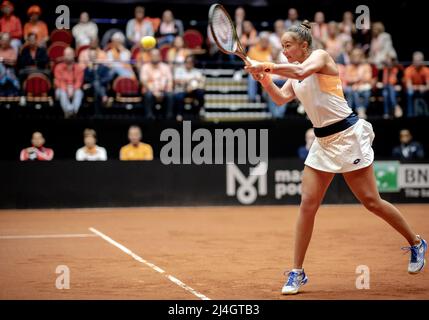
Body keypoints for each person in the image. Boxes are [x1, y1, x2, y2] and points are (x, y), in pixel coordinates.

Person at [245, 20, 427, 295]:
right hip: (322, 142)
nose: (284, 51)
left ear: (304, 45)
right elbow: (281, 98)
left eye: (288, 46)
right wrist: (264, 78)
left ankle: (416, 243)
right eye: (281, 47)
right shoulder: (294, 75)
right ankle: (297, 271)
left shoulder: (319, 57)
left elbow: (301, 70)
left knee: (371, 202)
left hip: (348, 136)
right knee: (308, 203)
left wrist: (266, 65)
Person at [140, 48, 174, 120]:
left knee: (170, 95)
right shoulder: (145, 67)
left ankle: (168, 117)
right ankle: (149, 117)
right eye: (153, 55)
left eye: (157, 55)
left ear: (160, 56)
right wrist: (154, 91)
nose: (155, 57)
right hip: (150, 90)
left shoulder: (166, 67)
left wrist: (166, 90)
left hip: (163, 90)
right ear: (150, 56)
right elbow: (143, 81)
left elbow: (170, 81)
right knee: (148, 95)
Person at [54, 47, 84, 118]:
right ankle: (69, 111)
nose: (68, 56)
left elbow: (79, 81)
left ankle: (74, 111)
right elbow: (58, 81)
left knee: (79, 92)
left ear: (74, 55)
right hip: (61, 89)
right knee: (62, 92)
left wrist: (73, 89)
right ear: (64, 56)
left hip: (74, 89)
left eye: (69, 54)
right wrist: (67, 89)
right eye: (66, 54)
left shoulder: (78, 68)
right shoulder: (58, 67)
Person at [343, 48, 373, 119]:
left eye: (358, 55)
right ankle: (351, 111)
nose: (356, 57)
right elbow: (347, 79)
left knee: (367, 93)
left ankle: (362, 110)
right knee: (353, 92)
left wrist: (356, 81)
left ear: (361, 56)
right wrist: (358, 79)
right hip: (352, 87)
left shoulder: (366, 66)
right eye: (354, 56)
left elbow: (368, 78)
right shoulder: (349, 66)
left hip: (363, 87)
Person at [173, 55, 205, 120]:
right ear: (184, 62)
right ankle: (179, 114)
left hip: (193, 90)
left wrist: (193, 87)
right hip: (181, 90)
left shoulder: (197, 71)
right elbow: (176, 81)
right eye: (187, 62)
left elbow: (202, 82)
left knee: (201, 92)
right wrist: (189, 80)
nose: (188, 64)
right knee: (179, 96)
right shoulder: (179, 70)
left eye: (190, 62)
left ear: (193, 63)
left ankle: (199, 112)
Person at [83, 48, 112, 114]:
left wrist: (99, 82)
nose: (93, 58)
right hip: (90, 89)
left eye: (94, 56)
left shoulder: (103, 67)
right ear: (89, 57)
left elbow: (107, 78)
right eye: (91, 56)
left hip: (102, 87)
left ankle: (97, 114)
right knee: (96, 85)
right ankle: (104, 97)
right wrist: (90, 70)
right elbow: (85, 79)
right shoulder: (87, 69)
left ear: (97, 56)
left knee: (97, 86)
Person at [404, 51, 429, 117]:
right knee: (410, 92)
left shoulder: (426, 70)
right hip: (413, 91)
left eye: (419, 60)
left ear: (422, 60)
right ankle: (410, 115)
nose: (417, 62)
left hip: (424, 91)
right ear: (413, 60)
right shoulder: (408, 70)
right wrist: (420, 87)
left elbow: (428, 86)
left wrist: (424, 88)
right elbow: (409, 86)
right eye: (416, 60)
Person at [0, 31, 19, 96]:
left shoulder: (12, 50)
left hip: (10, 71)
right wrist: (6, 61)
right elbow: (9, 61)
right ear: (0, 40)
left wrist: (2, 60)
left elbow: (13, 63)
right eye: (4, 40)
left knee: (7, 70)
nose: (5, 42)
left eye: (7, 40)